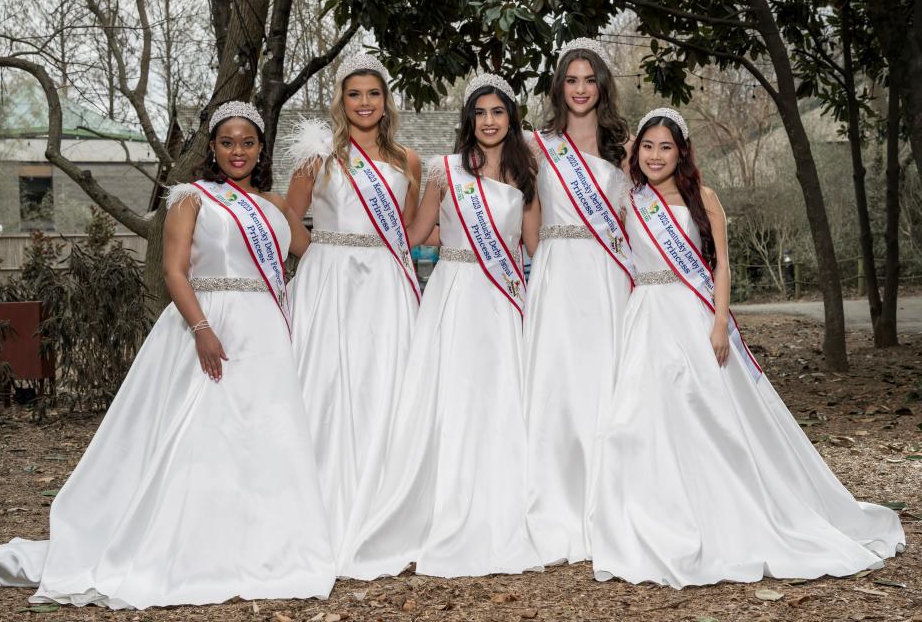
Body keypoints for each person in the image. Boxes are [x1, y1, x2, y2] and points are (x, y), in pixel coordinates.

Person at [0, 102, 335, 608]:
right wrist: (201, 328)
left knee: (265, 435)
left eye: (248, 142)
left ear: (261, 147)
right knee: (204, 434)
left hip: (267, 330)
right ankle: (191, 542)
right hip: (209, 322)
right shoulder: (191, 197)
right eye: (227, 142)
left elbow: (312, 251)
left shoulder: (272, 203)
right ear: (213, 149)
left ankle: (264, 540)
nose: (238, 151)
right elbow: (174, 271)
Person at [587, 107, 905, 588]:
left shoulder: (705, 198)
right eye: (648, 146)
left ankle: (727, 506)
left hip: (692, 314)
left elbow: (720, 267)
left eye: (666, 147)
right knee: (636, 419)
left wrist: (718, 324)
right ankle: (651, 513)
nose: (655, 155)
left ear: (682, 152)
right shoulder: (631, 200)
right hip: (645, 316)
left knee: (707, 414)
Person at [338, 73, 542, 579]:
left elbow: (536, 247)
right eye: (480, 113)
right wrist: (348, 253)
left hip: (501, 299)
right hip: (452, 294)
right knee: (448, 398)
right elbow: (410, 233)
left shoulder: (526, 174)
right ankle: (438, 506)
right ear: (468, 121)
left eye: (498, 112)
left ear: (510, 119)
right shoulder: (444, 171)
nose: (489, 121)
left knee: (498, 399)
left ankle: (500, 506)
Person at [281, 53, 421, 556]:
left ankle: (385, 499)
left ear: (386, 102)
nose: (364, 103)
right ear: (342, 100)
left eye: (373, 94)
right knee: (329, 384)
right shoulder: (319, 155)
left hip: (386, 283)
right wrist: (318, 257)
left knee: (385, 383)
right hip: (331, 281)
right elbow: (288, 218)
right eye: (354, 94)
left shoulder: (408, 161)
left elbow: (404, 231)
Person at [523, 38, 634, 565]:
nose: (582, 89)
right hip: (557, 271)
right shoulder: (537, 145)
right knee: (558, 380)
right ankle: (559, 501)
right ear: (559, 86)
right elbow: (523, 217)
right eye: (572, 80)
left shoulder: (626, 144)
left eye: (590, 80)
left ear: (602, 86)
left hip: (608, 274)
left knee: (606, 378)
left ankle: (612, 497)